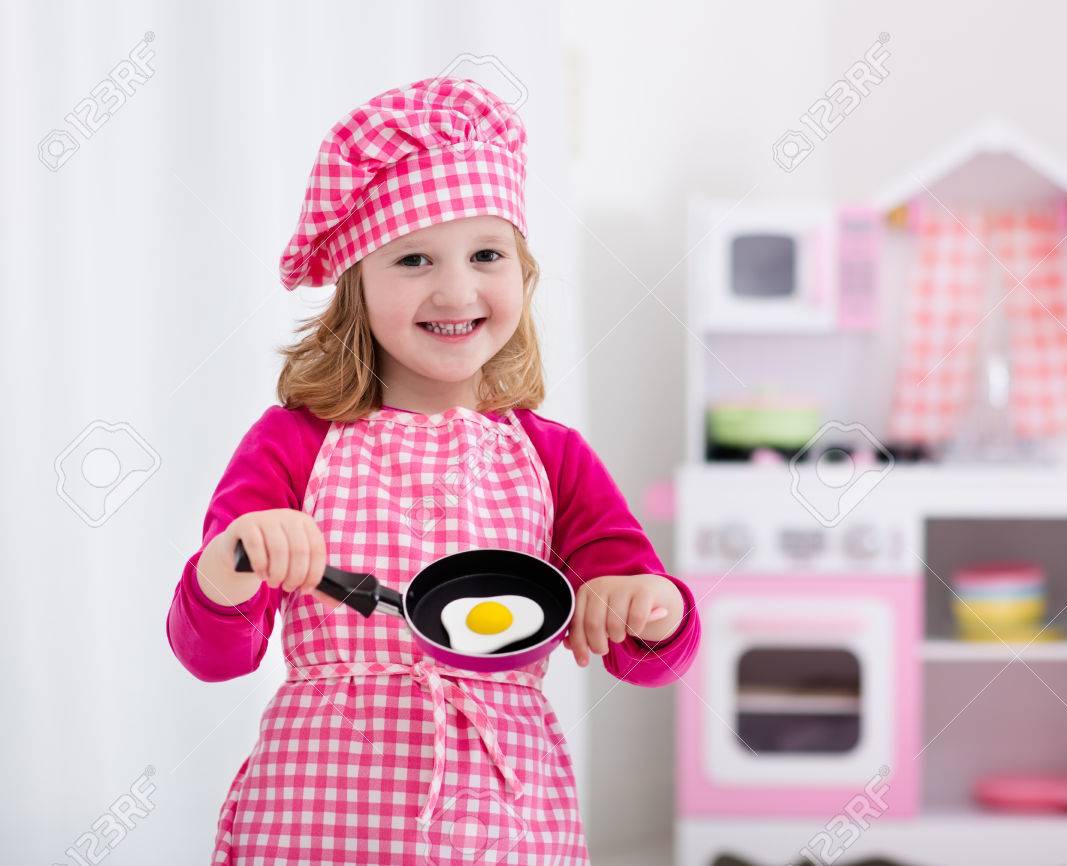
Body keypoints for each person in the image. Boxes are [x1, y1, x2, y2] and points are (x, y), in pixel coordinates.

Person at [165, 76, 700, 865]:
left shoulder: (554, 458)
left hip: (506, 823)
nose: (456, 288)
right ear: (358, 287)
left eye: (487, 253)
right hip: (318, 821)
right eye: (413, 258)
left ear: (523, 272)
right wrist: (234, 559)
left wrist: (650, 604)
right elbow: (213, 653)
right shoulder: (292, 442)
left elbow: (651, 657)